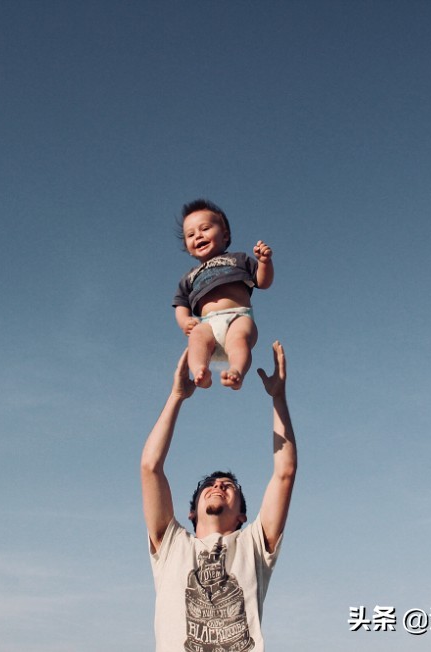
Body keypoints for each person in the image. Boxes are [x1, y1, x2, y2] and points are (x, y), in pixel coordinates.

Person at [141, 341, 297, 652]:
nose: (219, 486)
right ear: (191, 512)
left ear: (242, 515)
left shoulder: (254, 544)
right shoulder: (172, 545)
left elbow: (285, 472)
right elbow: (150, 467)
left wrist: (278, 398)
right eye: (210, 485)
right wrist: (176, 397)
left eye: (229, 486)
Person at [173, 199, 273, 390]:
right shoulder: (190, 276)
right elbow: (180, 303)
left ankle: (236, 371)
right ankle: (200, 371)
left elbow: (263, 282)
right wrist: (185, 321)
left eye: (205, 228)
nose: (198, 236)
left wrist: (264, 263)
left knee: (238, 340)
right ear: (187, 246)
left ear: (225, 235)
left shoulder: (239, 259)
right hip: (207, 323)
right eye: (191, 234)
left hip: (238, 316)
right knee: (196, 338)